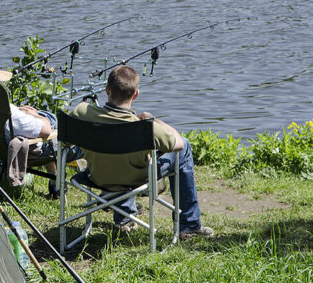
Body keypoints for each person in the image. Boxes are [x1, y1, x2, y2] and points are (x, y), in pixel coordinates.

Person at [71, 65, 213, 240]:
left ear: (107, 89)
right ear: (136, 94)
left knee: (114, 158)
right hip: (136, 180)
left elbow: (66, 143)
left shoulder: (82, 112)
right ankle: (189, 225)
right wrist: (154, 120)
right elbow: (178, 144)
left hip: (97, 177)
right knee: (186, 148)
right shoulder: (144, 127)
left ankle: (124, 216)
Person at [0, 53, 79, 193]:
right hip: (24, 148)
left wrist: (21, 110)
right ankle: (98, 183)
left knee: (44, 117)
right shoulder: (11, 115)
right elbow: (46, 130)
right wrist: (35, 115)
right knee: (59, 130)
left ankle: (54, 178)